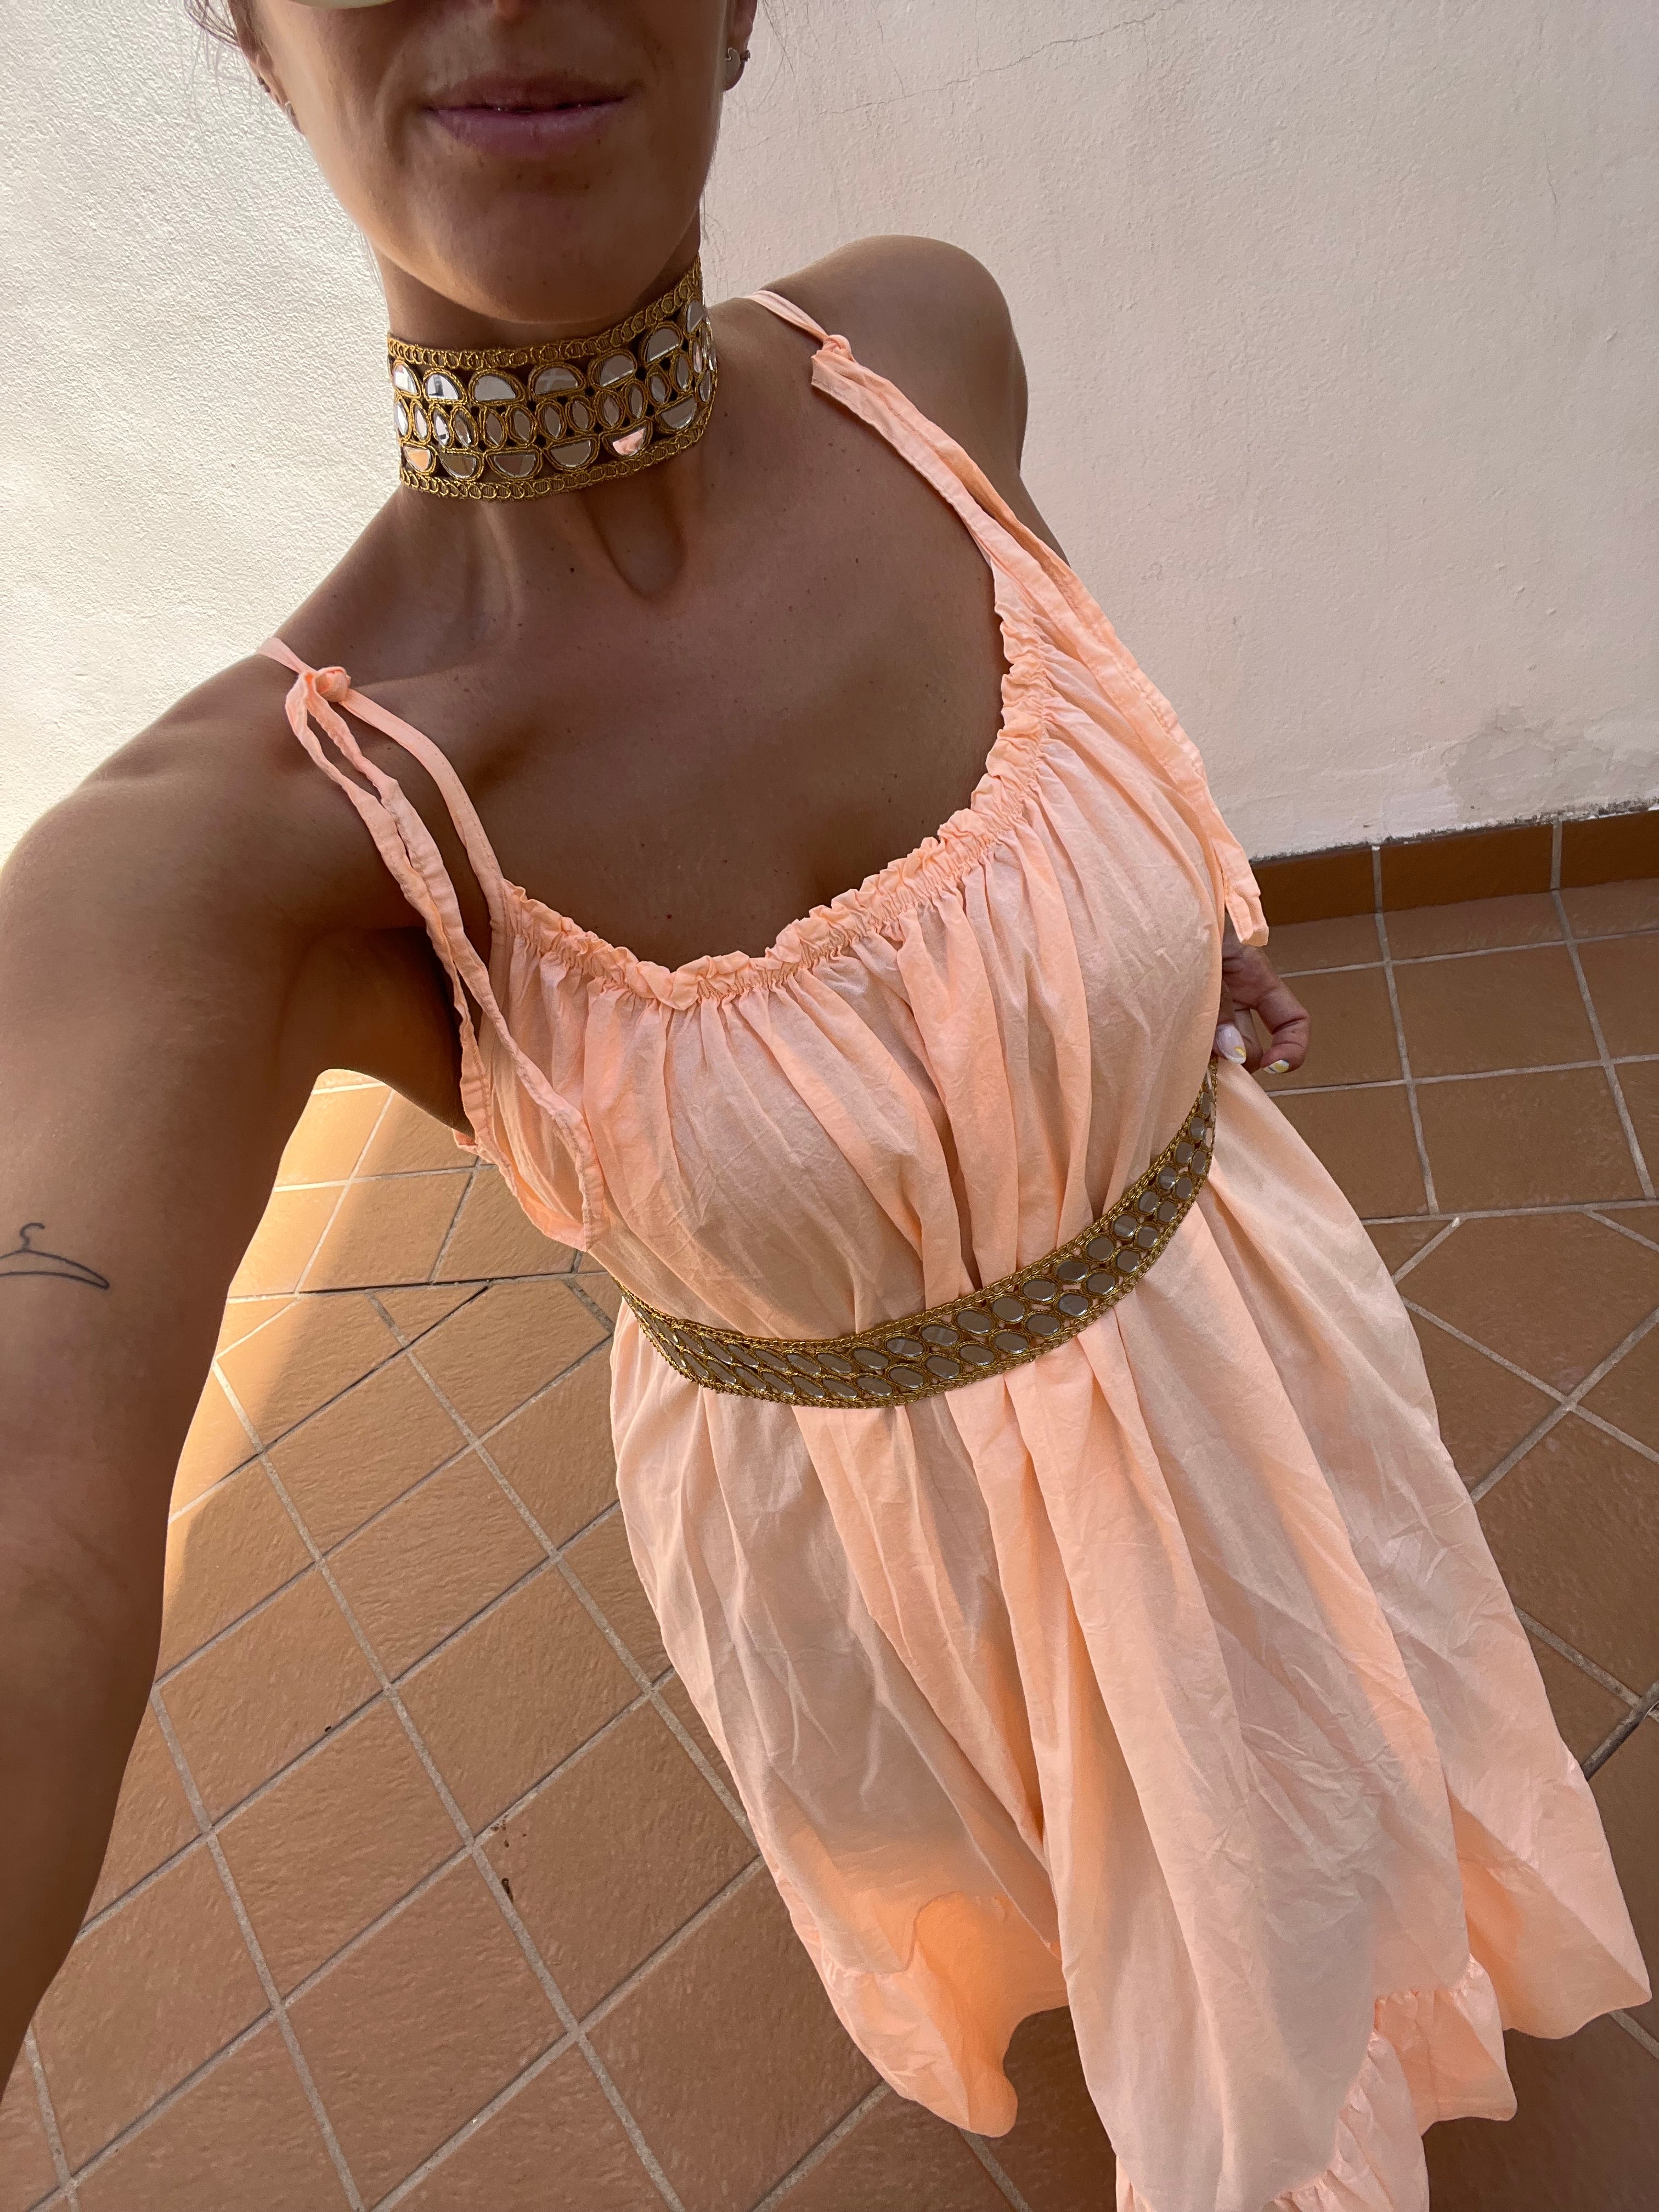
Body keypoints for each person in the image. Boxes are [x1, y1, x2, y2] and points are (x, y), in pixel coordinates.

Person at [0, 3, 1644, 2205]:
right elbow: (36, 1530)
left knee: (1315, 1816)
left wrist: (1163, 912)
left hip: (1245, 1360)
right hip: (877, 1555)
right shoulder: (248, 842)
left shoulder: (923, 348)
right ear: (246, 28)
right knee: (1073, 1877)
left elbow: (1068, 654)